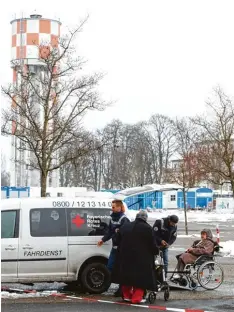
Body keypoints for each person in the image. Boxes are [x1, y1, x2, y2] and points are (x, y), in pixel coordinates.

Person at [112, 210, 158, 304]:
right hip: (141, 258)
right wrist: (156, 251)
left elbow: (117, 239)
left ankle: (126, 296)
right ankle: (136, 298)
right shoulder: (148, 228)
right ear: (145, 218)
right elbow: (152, 244)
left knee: (126, 277)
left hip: (124, 257)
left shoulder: (125, 226)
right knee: (140, 278)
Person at [97, 199, 129, 296]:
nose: (112, 208)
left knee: (121, 268)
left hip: (122, 248)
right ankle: (107, 285)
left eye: (113, 207)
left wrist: (118, 231)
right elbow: (110, 232)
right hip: (114, 247)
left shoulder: (124, 219)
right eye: (112, 206)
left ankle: (121, 289)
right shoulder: (112, 218)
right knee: (110, 267)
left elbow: (126, 234)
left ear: (119, 207)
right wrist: (103, 240)